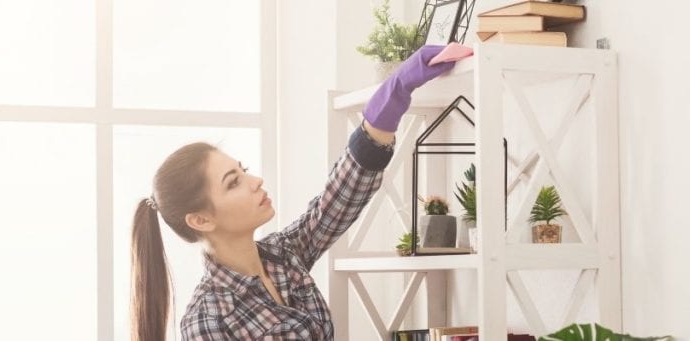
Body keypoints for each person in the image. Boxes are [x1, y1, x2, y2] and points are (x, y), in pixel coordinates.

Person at [129, 45, 461, 340]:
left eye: (243, 170)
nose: (255, 180)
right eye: (233, 182)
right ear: (200, 219)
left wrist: (397, 89)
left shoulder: (284, 255)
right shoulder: (208, 319)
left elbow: (340, 196)